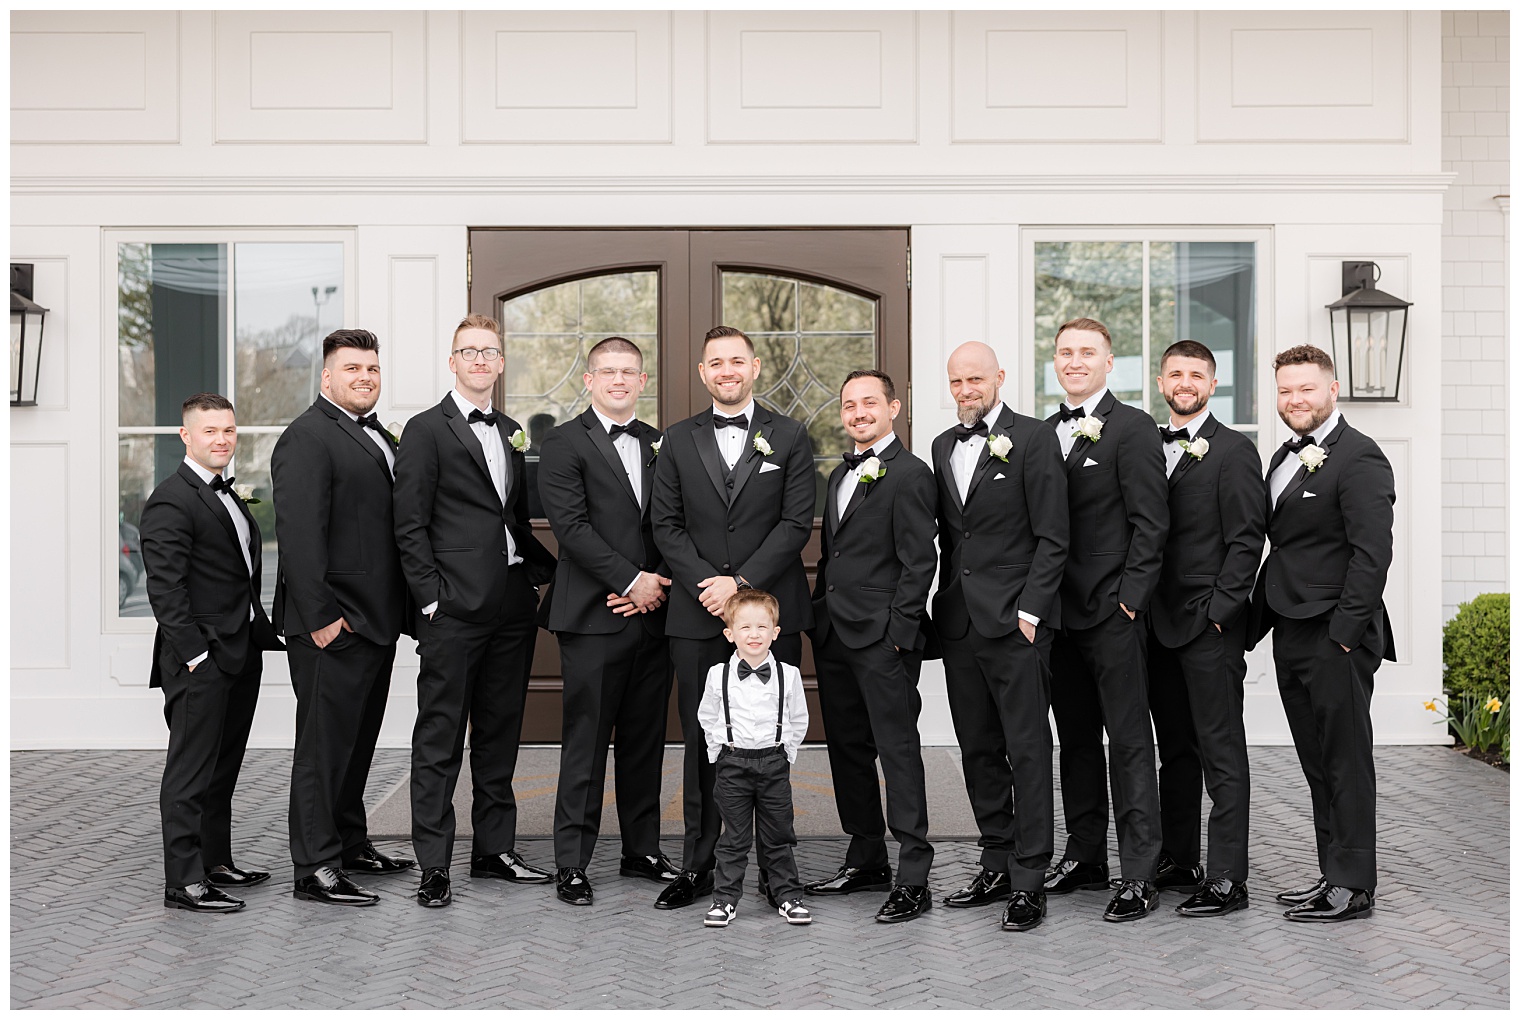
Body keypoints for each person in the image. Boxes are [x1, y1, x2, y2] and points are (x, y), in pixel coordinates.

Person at [393, 313, 557, 909]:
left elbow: (509, 520)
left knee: (499, 734)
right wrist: (431, 598)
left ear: (501, 362)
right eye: (469, 351)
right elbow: (408, 525)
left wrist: (548, 577)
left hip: (511, 607)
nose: (480, 360)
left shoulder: (512, 430)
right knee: (439, 740)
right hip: (453, 611)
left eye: (490, 351)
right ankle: (434, 865)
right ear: (453, 361)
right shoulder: (424, 430)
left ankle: (494, 851)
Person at [649, 325, 815, 910]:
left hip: (770, 614)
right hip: (698, 616)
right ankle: (700, 868)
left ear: (756, 366)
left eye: (737, 361)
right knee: (704, 742)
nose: (727, 370)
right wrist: (709, 586)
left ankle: (777, 874)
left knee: (771, 741)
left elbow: (797, 524)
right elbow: (664, 525)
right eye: (715, 362)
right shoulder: (675, 439)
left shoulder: (790, 436)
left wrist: (739, 585)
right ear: (702, 372)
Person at [1249, 344, 1395, 923]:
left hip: (1336, 637)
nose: (1294, 400)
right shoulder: (1284, 457)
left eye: (1305, 389)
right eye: (1285, 391)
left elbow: (1371, 555)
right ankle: (1330, 874)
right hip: (1292, 632)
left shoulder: (1360, 457)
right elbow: (1283, 547)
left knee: (1346, 761)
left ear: (1332, 390)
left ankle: (1354, 886)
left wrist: (1342, 634)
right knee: (1317, 761)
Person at [272, 329, 415, 908]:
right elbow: (299, 537)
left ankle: (351, 844)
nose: (364, 377)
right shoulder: (306, 438)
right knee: (322, 750)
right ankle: (314, 867)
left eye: (373, 368)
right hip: (333, 625)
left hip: (374, 622)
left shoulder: (376, 435)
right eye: (352, 368)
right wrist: (323, 619)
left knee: (357, 745)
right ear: (326, 377)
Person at [932, 342, 1068, 933]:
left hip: (1016, 623)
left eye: (976, 379)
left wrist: (1031, 612)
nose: (966, 390)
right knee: (976, 746)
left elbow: (1053, 535)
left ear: (1000, 378)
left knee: (1028, 749)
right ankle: (994, 862)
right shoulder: (941, 446)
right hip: (961, 622)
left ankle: (1030, 877)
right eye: (957, 381)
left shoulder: (1034, 438)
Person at [537, 336, 677, 907]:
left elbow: (676, 520)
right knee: (586, 743)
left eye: (629, 372)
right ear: (589, 380)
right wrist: (629, 581)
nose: (619, 380)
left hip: (654, 615)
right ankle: (572, 861)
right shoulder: (563, 442)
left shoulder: (662, 443)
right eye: (608, 372)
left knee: (645, 742)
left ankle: (641, 850)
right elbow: (570, 527)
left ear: (643, 381)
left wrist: (657, 583)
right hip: (594, 615)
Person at [1042, 316, 1169, 922]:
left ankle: (1138, 871)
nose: (1074, 361)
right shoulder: (1042, 433)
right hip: (1058, 616)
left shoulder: (1135, 428)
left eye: (1086, 352)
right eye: (1065, 352)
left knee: (1129, 742)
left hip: (1113, 613)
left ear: (1109, 361)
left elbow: (1152, 523)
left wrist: (1130, 600)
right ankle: (1086, 854)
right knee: (1076, 743)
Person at [803, 369, 938, 923]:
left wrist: (898, 634)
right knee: (847, 750)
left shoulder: (910, 474)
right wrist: (817, 618)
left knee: (897, 752)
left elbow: (919, 561)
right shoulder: (839, 472)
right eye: (850, 406)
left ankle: (914, 874)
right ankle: (865, 858)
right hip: (835, 634)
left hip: (883, 640)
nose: (859, 413)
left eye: (869, 404)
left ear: (894, 408)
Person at [142, 392, 283, 912]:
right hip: (200, 659)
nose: (221, 439)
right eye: (210, 431)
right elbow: (165, 591)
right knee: (189, 772)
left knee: (223, 768)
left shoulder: (227, 492)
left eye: (228, 430)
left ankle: (215, 861)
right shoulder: (170, 499)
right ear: (186, 436)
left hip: (241, 651)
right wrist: (196, 654)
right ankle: (183, 881)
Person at [1146, 340, 1266, 917]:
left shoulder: (1235, 452)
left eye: (1196, 374)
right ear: (1161, 381)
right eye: (1176, 373)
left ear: (1211, 384)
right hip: (1154, 625)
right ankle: (1178, 857)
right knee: (1175, 750)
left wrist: (1221, 612)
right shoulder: (1147, 444)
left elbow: (1248, 540)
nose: (1185, 382)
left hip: (1208, 625)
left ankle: (1227, 878)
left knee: (1221, 752)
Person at [696, 590, 811, 928]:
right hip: (732, 766)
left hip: (774, 764)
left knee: (778, 836)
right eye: (745, 627)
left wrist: (786, 753)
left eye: (762, 626)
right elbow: (707, 716)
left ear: (775, 632)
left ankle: (788, 896)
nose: (754, 634)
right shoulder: (718, 675)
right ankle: (725, 901)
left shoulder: (788, 675)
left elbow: (799, 718)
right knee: (733, 838)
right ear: (730, 634)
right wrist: (718, 752)